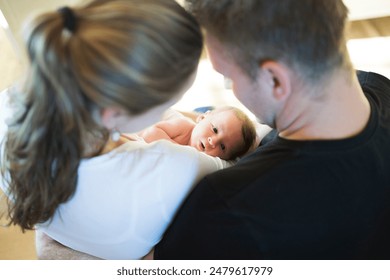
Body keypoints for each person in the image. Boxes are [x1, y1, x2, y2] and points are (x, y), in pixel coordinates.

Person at [153, 0, 390, 259]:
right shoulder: (378, 86)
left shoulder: (227, 205)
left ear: (275, 79)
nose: (228, 88)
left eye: (228, 76)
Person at [0, 0, 232, 260]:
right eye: (169, 102)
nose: (173, 110)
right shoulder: (173, 169)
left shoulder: (7, 110)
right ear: (114, 114)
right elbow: (236, 160)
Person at [138, 106, 257, 160]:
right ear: (202, 118)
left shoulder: (202, 161)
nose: (213, 141)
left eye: (223, 146)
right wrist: (180, 152)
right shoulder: (184, 126)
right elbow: (151, 133)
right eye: (215, 130)